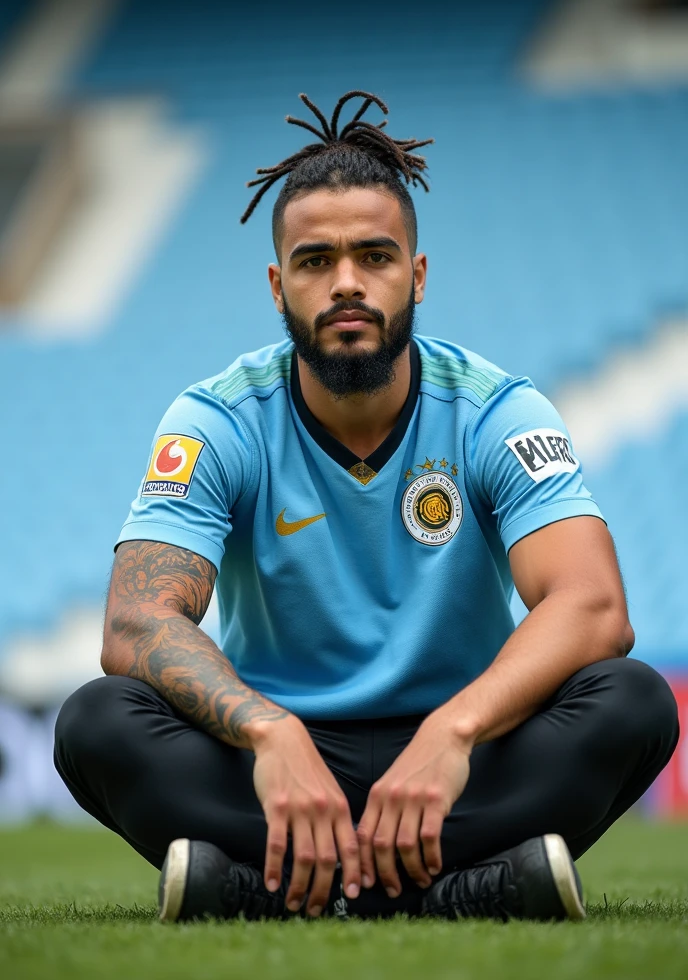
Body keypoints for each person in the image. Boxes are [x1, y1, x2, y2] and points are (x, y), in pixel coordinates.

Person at [54, 91, 679, 924]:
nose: (347, 283)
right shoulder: (216, 418)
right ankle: (457, 891)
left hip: (462, 750)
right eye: (315, 261)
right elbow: (135, 622)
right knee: (96, 722)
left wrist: (453, 733)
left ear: (416, 274)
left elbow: (593, 607)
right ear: (278, 287)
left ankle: (265, 892)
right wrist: (271, 735)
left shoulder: (496, 409)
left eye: (375, 256)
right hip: (278, 755)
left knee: (632, 701)